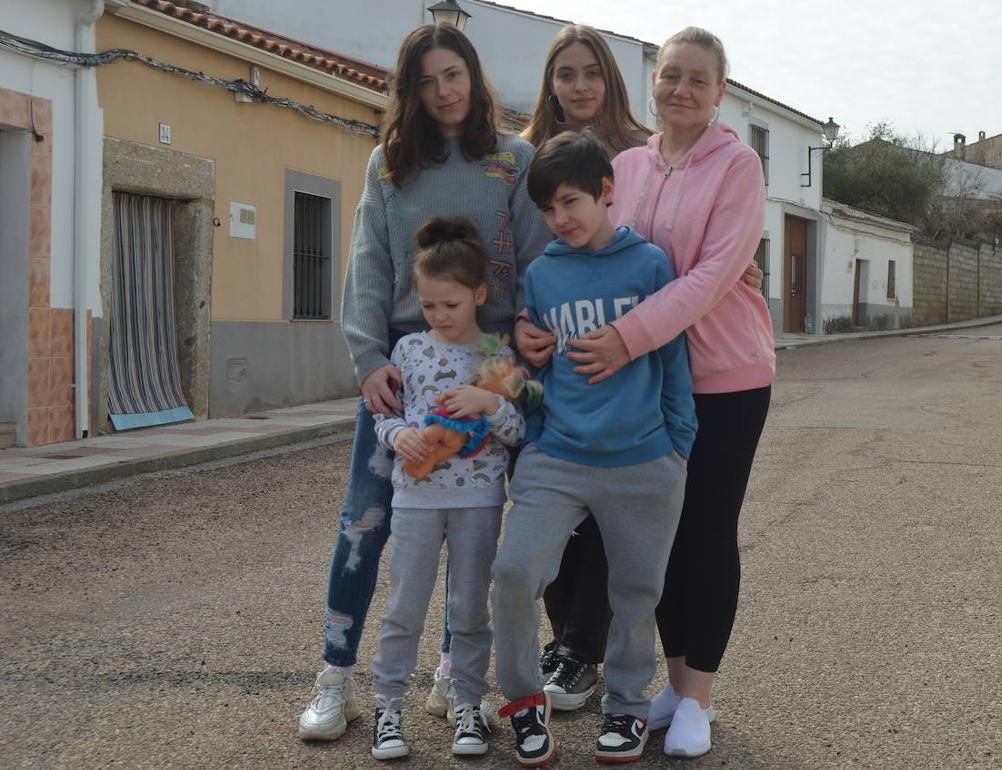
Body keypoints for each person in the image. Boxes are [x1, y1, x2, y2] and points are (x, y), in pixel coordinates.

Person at [297, 22, 547, 743]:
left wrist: (520, 356)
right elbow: (367, 266)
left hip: (492, 364)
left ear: (474, 76)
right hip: (404, 367)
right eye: (429, 80)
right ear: (409, 89)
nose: (445, 91)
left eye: (455, 75)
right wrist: (368, 360)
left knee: (472, 525)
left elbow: (535, 261)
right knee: (367, 523)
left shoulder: (513, 158)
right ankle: (334, 681)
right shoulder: (389, 164)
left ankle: (450, 678)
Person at [515, 23, 762, 715]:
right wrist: (535, 322)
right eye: (672, 75)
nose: (681, 88)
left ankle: (696, 701)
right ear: (653, 82)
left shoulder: (737, 164)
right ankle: (667, 690)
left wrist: (625, 336)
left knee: (707, 534)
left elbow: (711, 273)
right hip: (646, 376)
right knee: (660, 543)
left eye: (698, 79)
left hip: (726, 371)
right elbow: (597, 257)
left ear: (720, 93)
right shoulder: (626, 166)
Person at [491, 130, 697, 766]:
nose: (560, 219)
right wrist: (530, 430)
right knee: (513, 573)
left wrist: (676, 447)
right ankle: (526, 705)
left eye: (571, 202)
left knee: (636, 594)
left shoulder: (651, 265)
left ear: (608, 193)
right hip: (558, 459)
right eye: (548, 208)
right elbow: (538, 366)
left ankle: (628, 709)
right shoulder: (544, 274)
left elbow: (673, 361)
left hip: (643, 461)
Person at [368, 218, 526, 760]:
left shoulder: (498, 356)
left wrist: (494, 404)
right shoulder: (409, 349)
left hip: (479, 501)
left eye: (450, 305)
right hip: (415, 500)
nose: (438, 316)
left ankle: (467, 706)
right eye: (430, 305)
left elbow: (518, 432)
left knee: (468, 609)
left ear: (479, 295)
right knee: (404, 606)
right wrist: (400, 435)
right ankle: (387, 710)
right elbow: (382, 419)